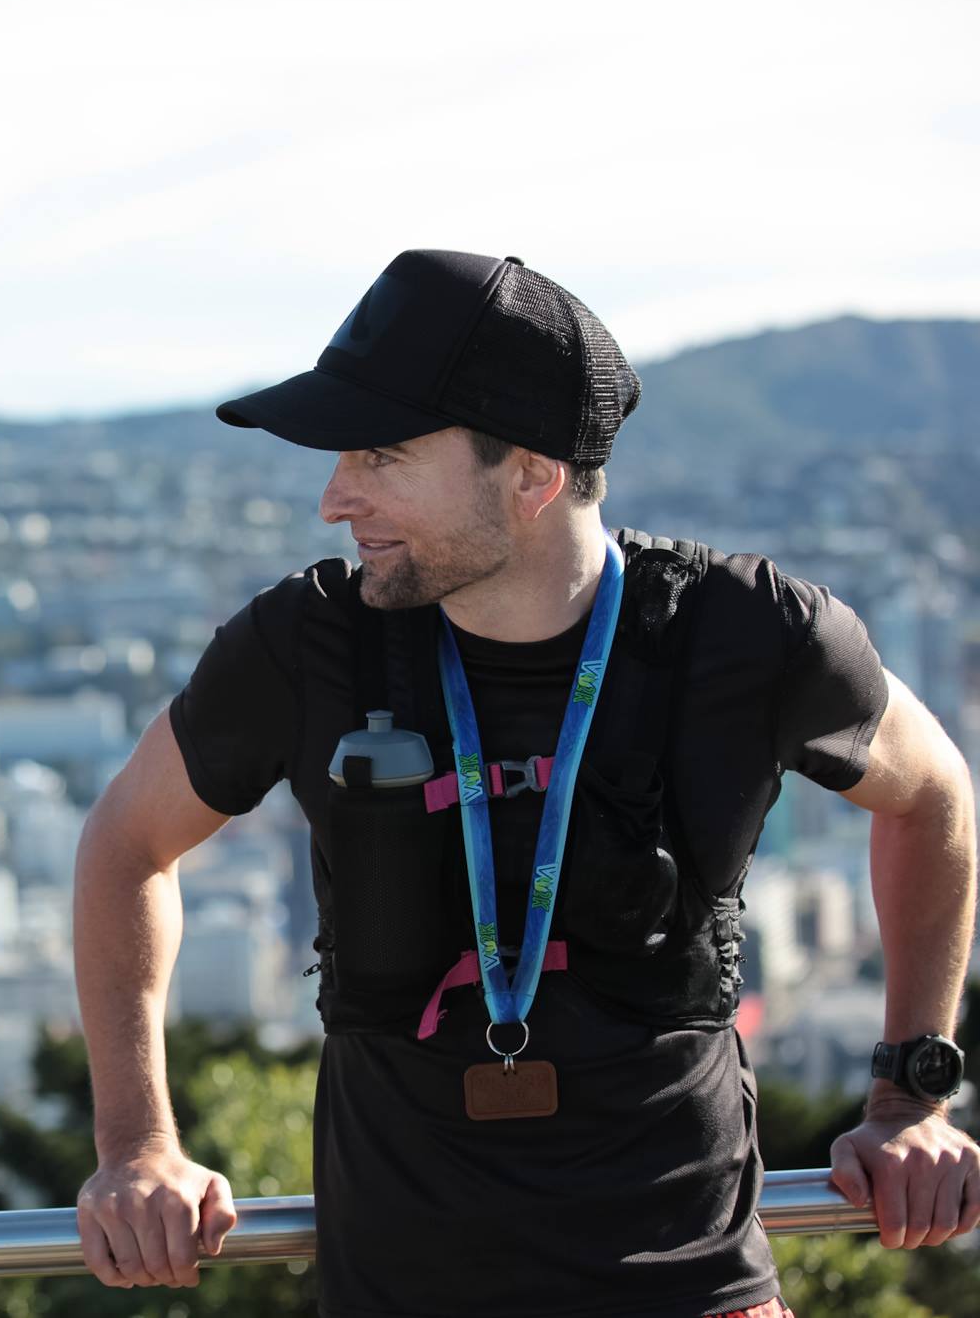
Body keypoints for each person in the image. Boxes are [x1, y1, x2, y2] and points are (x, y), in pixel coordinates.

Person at [71, 249, 980, 1315]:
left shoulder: (742, 634)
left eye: (380, 454)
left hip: (696, 1291)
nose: (333, 498)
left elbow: (932, 796)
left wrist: (911, 1093)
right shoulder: (305, 645)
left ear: (532, 476)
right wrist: (137, 1142)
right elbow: (126, 844)